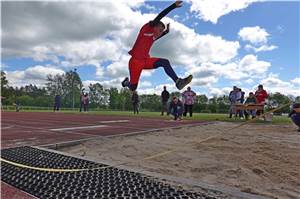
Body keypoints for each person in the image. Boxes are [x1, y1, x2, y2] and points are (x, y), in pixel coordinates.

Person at [121, 0, 192, 92]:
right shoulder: (148, 28)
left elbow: (158, 36)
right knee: (133, 87)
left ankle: (178, 82)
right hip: (135, 62)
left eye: (161, 32)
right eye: (160, 30)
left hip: (146, 61)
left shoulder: (153, 37)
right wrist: (173, 6)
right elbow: (159, 16)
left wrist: (165, 32)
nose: (160, 33)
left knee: (164, 62)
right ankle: (126, 83)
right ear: (155, 27)